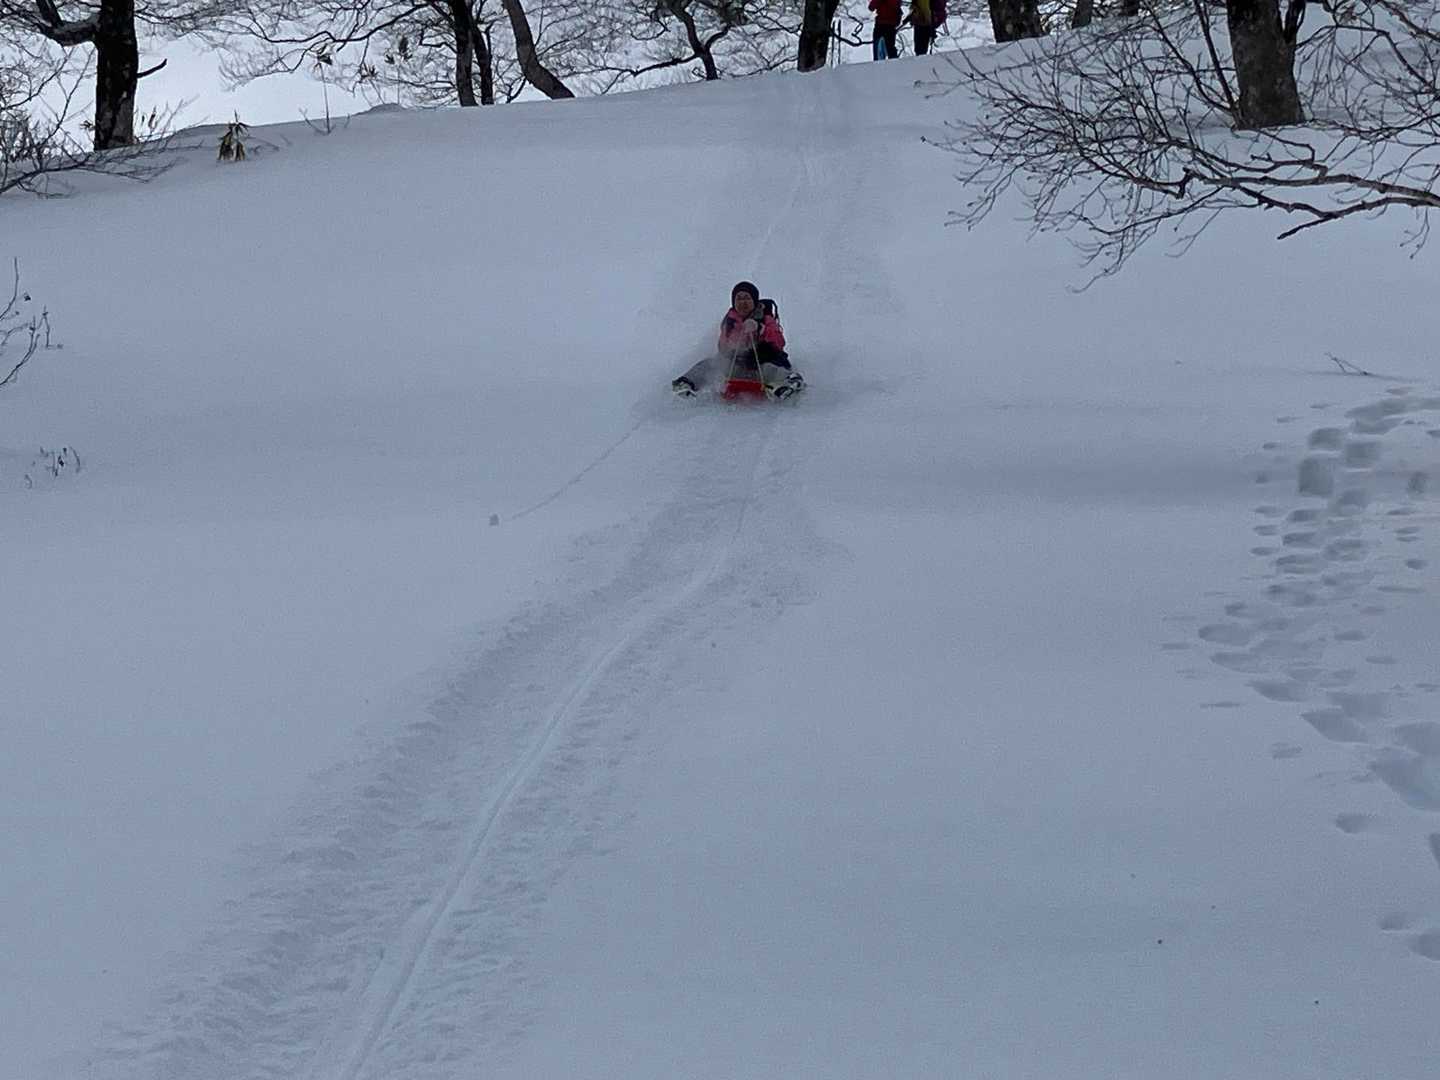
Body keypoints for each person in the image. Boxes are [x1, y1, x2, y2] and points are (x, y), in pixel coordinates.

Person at [672, 281, 805, 400]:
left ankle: (790, 384)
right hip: (737, 367)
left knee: (772, 370)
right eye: (739, 298)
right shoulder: (730, 321)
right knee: (710, 364)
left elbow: (779, 342)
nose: (743, 302)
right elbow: (722, 347)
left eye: (747, 298)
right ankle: (686, 383)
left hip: (761, 365)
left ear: (754, 301)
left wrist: (760, 328)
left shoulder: (766, 318)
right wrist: (734, 341)